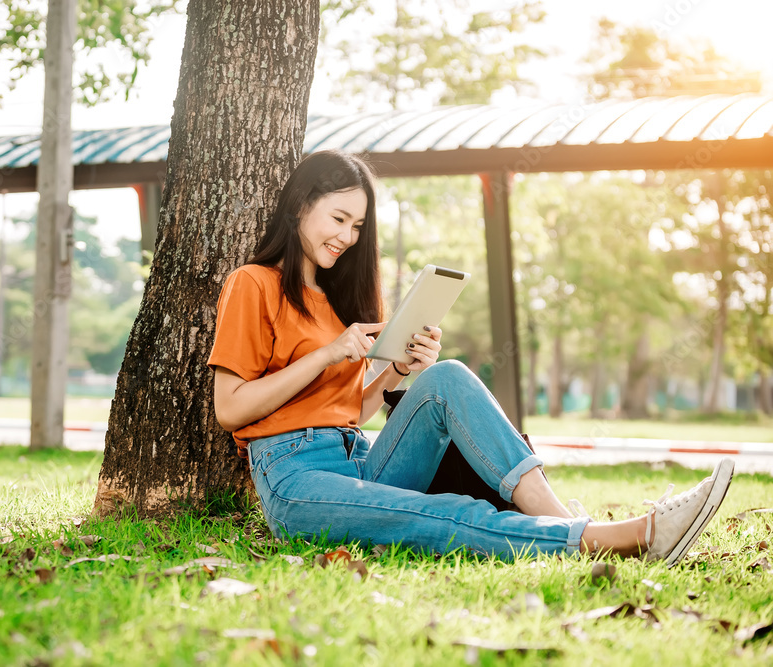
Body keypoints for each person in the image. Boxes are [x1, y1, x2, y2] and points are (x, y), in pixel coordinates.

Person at [207, 149, 734, 565]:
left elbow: (350, 413)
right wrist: (327, 354)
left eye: (358, 227)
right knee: (437, 515)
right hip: (294, 479)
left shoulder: (339, 299)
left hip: (359, 460)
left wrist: (399, 368)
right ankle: (618, 538)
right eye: (339, 219)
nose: (347, 237)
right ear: (301, 205)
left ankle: (569, 521)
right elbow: (230, 409)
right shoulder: (253, 284)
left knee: (446, 376)